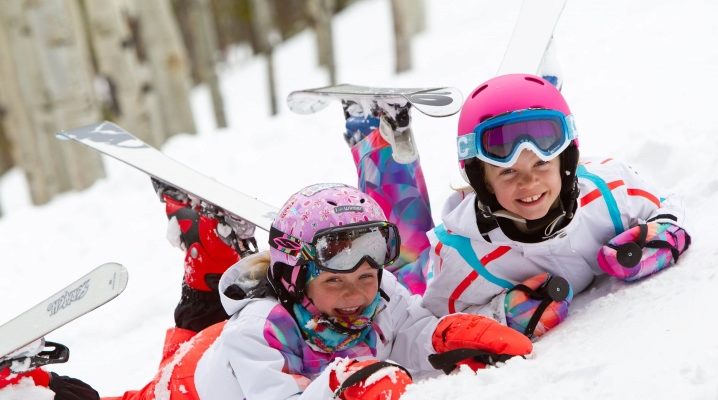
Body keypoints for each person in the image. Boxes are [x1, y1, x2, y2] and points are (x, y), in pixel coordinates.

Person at [2, 183, 532, 399]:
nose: (357, 294)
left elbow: (408, 333)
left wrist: (442, 339)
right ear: (297, 280)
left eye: (367, 277)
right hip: (191, 386)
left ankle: (206, 241)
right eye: (336, 281)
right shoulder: (265, 331)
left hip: (215, 343)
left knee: (199, 324)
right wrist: (342, 383)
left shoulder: (381, 292)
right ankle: (29, 383)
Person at [346, 73, 690, 339]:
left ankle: (537, 91)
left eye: (542, 164)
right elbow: (428, 324)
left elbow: (668, 206)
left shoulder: (610, 192)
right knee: (399, 257)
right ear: (481, 179)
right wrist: (503, 313)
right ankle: (374, 130)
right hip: (431, 269)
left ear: (566, 161)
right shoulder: (465, 261)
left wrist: (655, 240)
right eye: (508, 172)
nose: (529, 183)